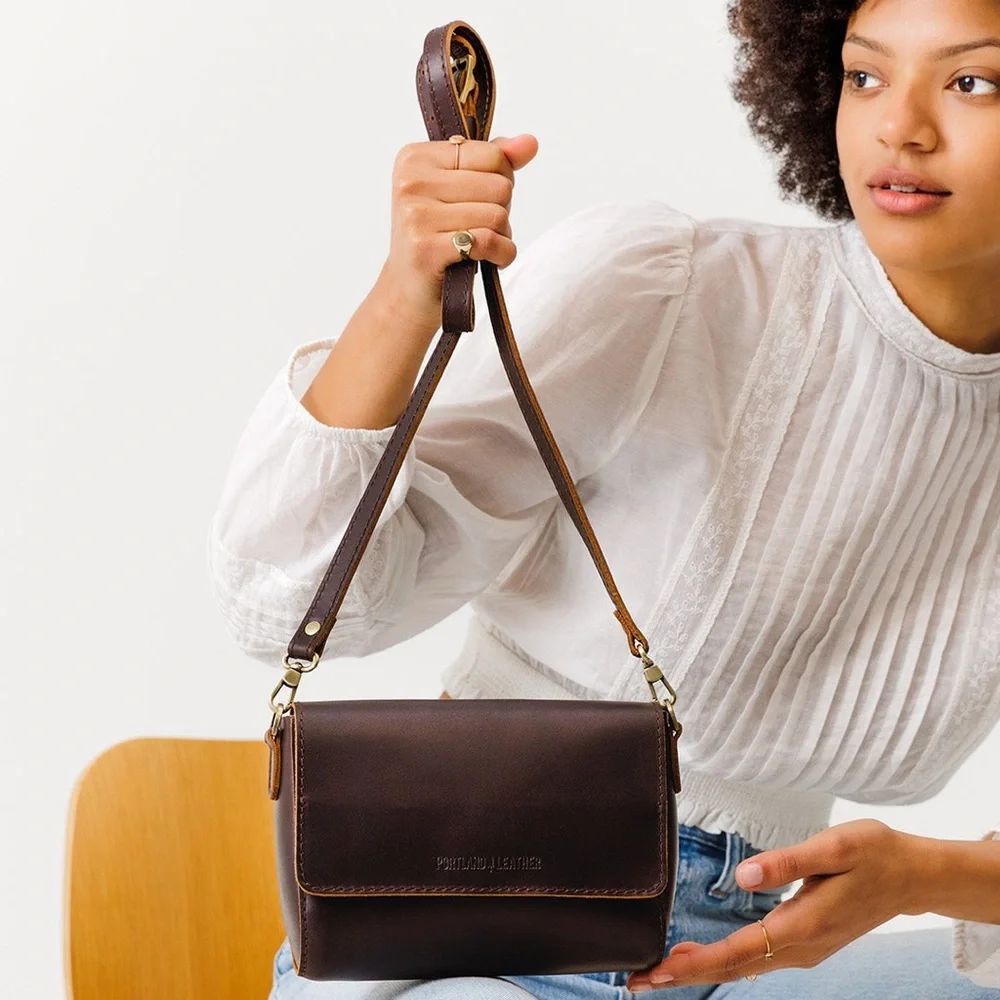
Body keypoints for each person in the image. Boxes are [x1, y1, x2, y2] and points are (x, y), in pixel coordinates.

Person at [206, 0, 1000, 996]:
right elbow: (285, 603)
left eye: (973, 81)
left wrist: (924, 876)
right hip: (480, 924)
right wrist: (408, 293)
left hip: (770, 946)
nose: (901, 128)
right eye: (865, 75)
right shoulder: (679, 289)